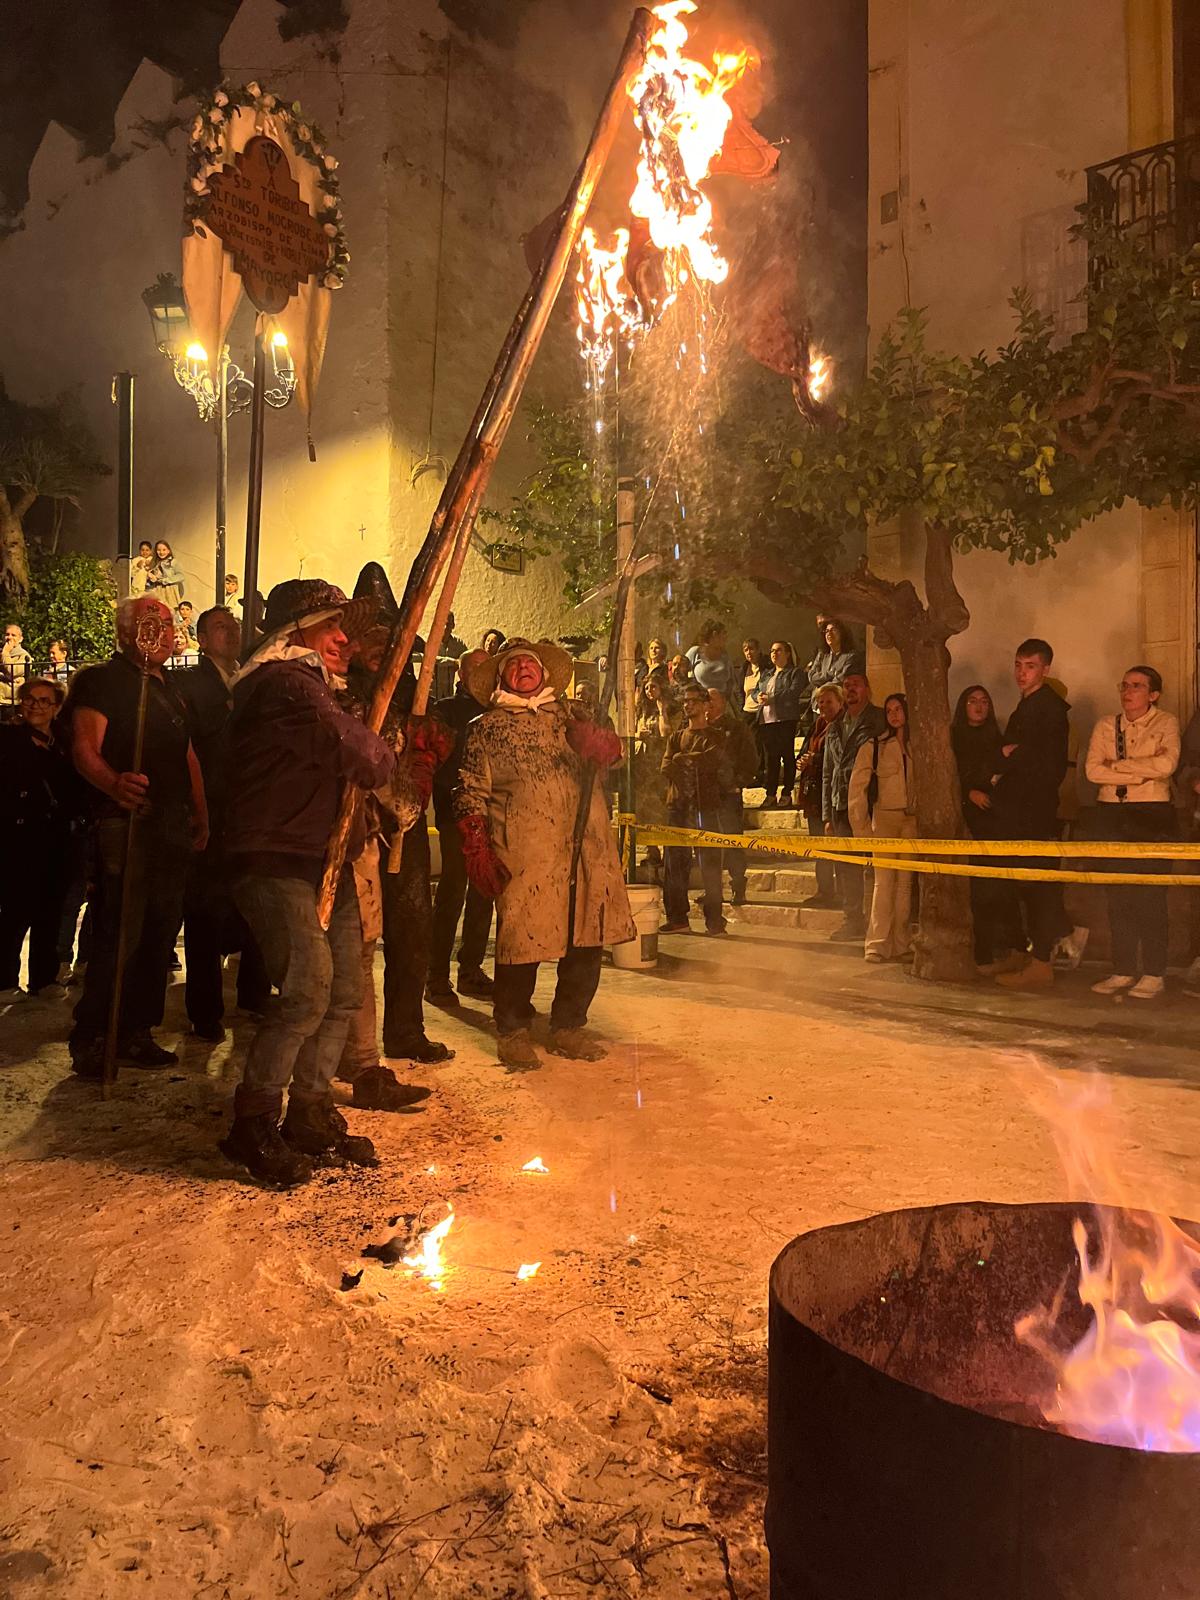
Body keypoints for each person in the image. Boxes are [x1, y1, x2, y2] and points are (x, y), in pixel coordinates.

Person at [220, 579, 394, 1186]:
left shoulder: (317, 687)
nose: (344, 638)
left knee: (344, 987)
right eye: (330, 628)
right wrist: (386, 747)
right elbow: (367, 759)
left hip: (323, 857)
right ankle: (255, 1120)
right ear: (294, 636)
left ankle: (310, 1110)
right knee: (307, 990)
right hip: (274, 857)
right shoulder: (286, 685)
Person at [455, 637, 633, 1071]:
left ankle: (568, 1026)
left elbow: (615, 760)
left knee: (585, 937)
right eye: (512, 666)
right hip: (527, 851)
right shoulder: (487, 729)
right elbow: (470, 792)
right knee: (523, 941)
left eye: (529, 664)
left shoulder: (572, 718)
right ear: (501, 678)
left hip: (585, 848)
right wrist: (476, 845)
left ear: (545, 674)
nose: (522, 670)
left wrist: (601, 744)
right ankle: (513, 1029)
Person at [64, 595, 208, 1076]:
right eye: (150, 622)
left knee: (160, 932)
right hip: (126, 824)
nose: (161, 630)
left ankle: (136, 1030)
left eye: (167, 622)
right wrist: (114, 783)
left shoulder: (172, 689)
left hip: (170, 824)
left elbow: (188, 756)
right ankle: (93, 1035)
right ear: (126, 633)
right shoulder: (104, 681)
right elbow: (85, 747)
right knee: (120, 931)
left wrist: (200, 812)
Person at [345, 565, 456, 1068]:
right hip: (357, 832)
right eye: (368, 635)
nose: (378, 645)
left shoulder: (416, 694)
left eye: (387, 636)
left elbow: (431, 753)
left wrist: (428, 749)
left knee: (412, 930)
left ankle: (406, 1029)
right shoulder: (342, 692)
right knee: (356, 940)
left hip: (406, 831)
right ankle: (349, 1044)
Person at [175, 606, 270, 1042]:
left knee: (256, 906)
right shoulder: (191, 684)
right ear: (200, 638)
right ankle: (205, 1008)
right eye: (219, 627)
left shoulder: (252, 675)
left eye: (234, 626)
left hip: (250, 810)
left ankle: (254, 993)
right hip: (212, 806)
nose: (231, 633)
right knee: (204, 913)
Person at [1085, 665, 1180, 1001]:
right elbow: (1093, 771)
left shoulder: (1166, 723)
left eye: (1137, 686)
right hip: (1112, 813)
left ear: (1153, 694)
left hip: (1152, 814)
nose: (1128, 692)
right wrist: (1141, 771)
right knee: (1118, 894)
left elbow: (1166, 765)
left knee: (1150, 894)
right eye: (1124, 685)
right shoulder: (1106, 726)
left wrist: (1119, 768)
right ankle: (1122, 967)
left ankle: (1154, 971)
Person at [989, 639, 1071, 990]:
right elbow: (1007, 752)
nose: (1022, 673)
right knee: (1022, 883)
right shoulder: (1027, 706)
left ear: (1046, 669)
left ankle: (1042, 961)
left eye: (1031, 666)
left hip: (1034, 810)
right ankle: (1030, 953)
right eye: (1019, 665)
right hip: (1016, 809)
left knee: (1038, 884)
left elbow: (1041, 762)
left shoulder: (1049, 708)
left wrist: (1008, 758)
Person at [0, 678, 81, 1000]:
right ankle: (4, 979)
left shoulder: (62, 740)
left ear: (57, 707)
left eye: (44, 701)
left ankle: (43, 977)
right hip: (20, 833)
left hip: (56, 833)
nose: (36, 706)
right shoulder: (8, 737)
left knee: (51, 906)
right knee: (16, 908)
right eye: (30, 700)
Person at [428, 652, 495, 1005]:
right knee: (453, 891)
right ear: (462, 673)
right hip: (456, 815)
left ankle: (470, 968)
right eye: (477, 669)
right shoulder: (449, 711)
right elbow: (439, 765)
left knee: (484, 890)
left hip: (489, 815)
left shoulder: (499, 709)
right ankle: (436, 974)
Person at [951, 684, 1024, 972]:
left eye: (984, 701)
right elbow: (955, 772)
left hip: (995, 816)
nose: (979, 706)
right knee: (979, 884)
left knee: (1002, 881)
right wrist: (969, 791)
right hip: (970, 816)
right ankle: (982, 949)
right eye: (972, 701)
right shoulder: (955, 736)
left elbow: (1003, 771)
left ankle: (1011, 945)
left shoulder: (996, 735)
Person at [661, 681, 735, 935]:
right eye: (685, 701)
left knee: (711, 867)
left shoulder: (717, 736)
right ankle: (677, 917)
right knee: (674, 863)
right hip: (679, 807)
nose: (688, 705)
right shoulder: (676, 737)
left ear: (706, 705)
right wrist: (691, 761)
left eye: (693, 700)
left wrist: (685, 760)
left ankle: (715, 920)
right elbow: (666, 767)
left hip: (707, 807)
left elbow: (715, 762)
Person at [849, 692, 915, 963]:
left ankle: (901, 942)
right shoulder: (874, 747)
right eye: (889, 711)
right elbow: (857, 788)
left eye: (899, 709)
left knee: (905, 886)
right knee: (883, 883)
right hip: (885, 819)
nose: (894, 715)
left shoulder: (918, 746)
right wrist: (862, 828)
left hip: (912, 820)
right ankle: (876, 944)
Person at [821, 671, 887, 942]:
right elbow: (828, 771)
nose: (850, 690)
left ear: (867, 689)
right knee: (847, 867)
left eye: (855, 685)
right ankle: (852, 920)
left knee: (874, 865)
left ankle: (878, 921)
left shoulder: (878, 720)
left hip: (868, 803)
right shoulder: (836, 726)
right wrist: (827, 812)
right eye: (846, 686)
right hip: (840, 805)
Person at [706, 687, 758, 907]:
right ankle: (712, 890)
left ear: (723, 702)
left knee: (733, 842)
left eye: (712, 698)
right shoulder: (700, 728)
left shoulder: (736, 728)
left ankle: (738, 887)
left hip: (728, 796)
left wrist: (738, 783)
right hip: (706, 796)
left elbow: (750, 758)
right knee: (708, 846)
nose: (707, 702)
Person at [796, 682, 843, 909]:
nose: (824, 706)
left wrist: (814, 759)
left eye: (829, 702)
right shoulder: (817, 726)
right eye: (821, 702)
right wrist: (804, 760)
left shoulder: (842, 725)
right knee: (819, 846)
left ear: (839, 702)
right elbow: (808, 751)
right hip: (814, 796)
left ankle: (842, 892)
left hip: (833, 795)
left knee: (836, 846)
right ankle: (824, 890)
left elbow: (835, 758)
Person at [753, 640, 804, 807]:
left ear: (788, 653)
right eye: (772, 650)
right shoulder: (767, 674)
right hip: (767, 721)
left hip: (785, 719)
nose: (774, 653)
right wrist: (758, 697)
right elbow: (755, 691)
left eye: (779, 650)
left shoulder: (794, 673)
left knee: (787, 756)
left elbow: (793, 691)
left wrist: (772, 699)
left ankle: (787, 792)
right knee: (770, 759)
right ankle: (770, 793)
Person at [806, 619, 864, 706]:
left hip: (839, 704)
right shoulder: (822, 654)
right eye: (826, 631)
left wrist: (821, 687)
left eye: (833, 630)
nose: (829, 633)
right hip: (818, 704)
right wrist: (831, 674)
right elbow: (812, 677)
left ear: (842, 633)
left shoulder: (851, 656)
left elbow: (841, 679)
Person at [739, 638, 768, 787]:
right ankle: (754, 773)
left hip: (762, 710)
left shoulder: (767, 666)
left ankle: (763, 773)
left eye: (752, 649)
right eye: (746, 650)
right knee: (750, 745)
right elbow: (740, 691)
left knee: (761, 744)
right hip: (747, 711)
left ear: (758, 649)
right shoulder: (745, 668)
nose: (749, 653)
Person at [685, 619, 735, 698]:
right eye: (724, 633)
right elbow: (681, 673)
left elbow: (731, 682)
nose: (726, 637)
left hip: (721, 703)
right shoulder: (695, 652)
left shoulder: (725, 656)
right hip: (701, 703)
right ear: (715, 635)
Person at [146, 540, 185, 613]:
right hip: (157, 591)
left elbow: (181, 576)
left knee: (170, 613)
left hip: (169, 592)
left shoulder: (173, 562)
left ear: (168, 551)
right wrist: (150, 577)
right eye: (158, 550)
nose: (161, 552)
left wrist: (165, 580)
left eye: (164, 550)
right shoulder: (155, 563)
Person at [1, 622, 33, 711]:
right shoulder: (1, 654)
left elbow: (12, 671)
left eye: (13, 635)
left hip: (14, 697)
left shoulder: (24, 656)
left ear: (20, 639)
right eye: (7, 634)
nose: (9, 637)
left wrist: (6, 653)